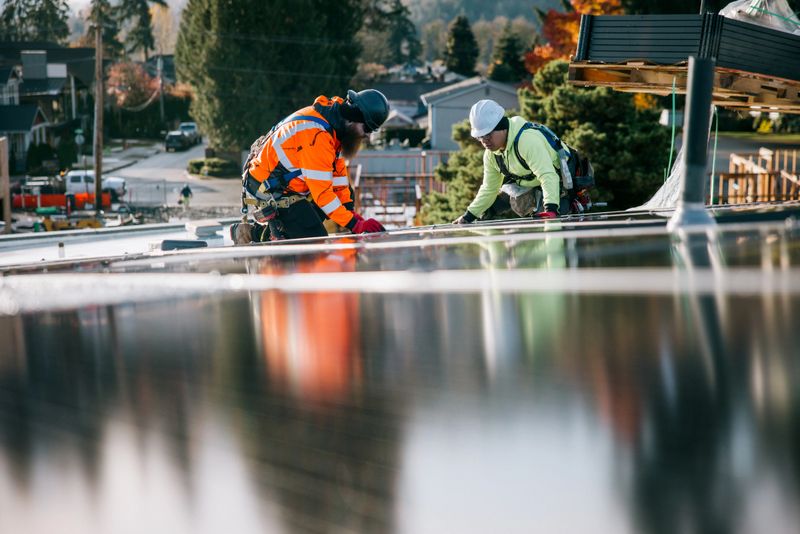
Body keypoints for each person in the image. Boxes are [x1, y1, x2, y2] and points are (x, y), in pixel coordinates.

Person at [231, 89, 390, 244]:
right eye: (367, 128)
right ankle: (251, 234)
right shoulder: (317, 136)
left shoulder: (336, 128)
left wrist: (352, 216)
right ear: (353, 118)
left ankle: (291, 228)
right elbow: (323, 196)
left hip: (290, 183)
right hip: (270, 188)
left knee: (345, 196)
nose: (368, 136)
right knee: (313, 237)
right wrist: (355, 225)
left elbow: (339, 178)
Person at [453, 99, 585, 224]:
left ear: (502, 127)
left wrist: (550, 210)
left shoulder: (527, 141)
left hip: (560, 183)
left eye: (488, 134)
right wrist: (468, 217)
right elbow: (489, 188)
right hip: (531, 183)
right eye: (480, 137)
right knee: (487, 210)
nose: (484, 141)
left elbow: (548, 175)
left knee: (555, 227)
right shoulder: (492, 155)